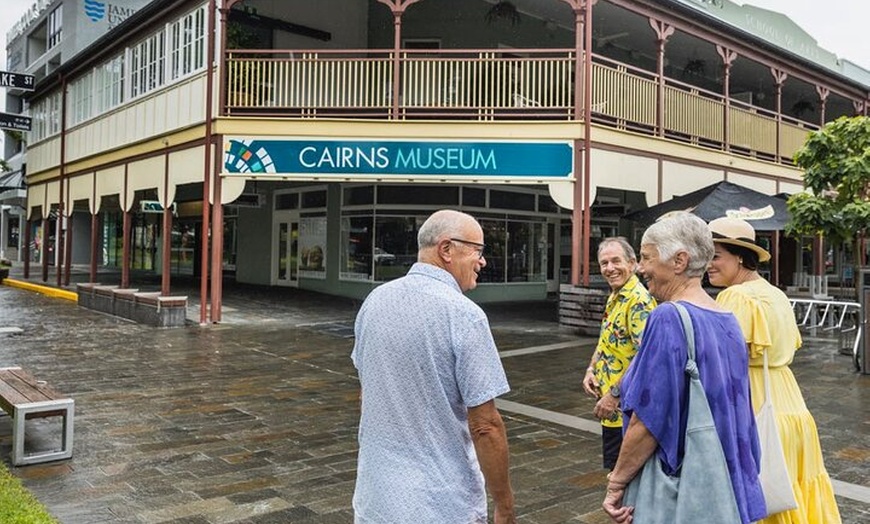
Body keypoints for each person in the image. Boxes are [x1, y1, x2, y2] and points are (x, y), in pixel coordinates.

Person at [351, 209, 516, 524]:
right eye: (478, 251)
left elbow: (367, 392)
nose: (482, 261)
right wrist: (505, 507)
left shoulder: (374, 301)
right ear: (446, 249)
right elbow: (486, 426)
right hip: (439, 503)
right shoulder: (464, 315)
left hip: (376, 497)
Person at [602, 211, 766, 524]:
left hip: (685, 488)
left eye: (647, 257)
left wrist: (617, 481)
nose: (641, 268)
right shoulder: (728, 320)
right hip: (727, 484)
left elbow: (648, 420)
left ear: (679, 261)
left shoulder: (667, 318)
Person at [707, 216, 842, 524]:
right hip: (791, 405)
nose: (707, 265)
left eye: (715, 256)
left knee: (763, 497)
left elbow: (722, 360)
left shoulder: (735, 296)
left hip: (755, 405)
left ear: (740, 256)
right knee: (792, 489)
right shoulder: (775, 293)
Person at [583, 237, 656, 470]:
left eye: (616, 261)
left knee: (624, 480)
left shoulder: (638, 301)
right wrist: (591, 369)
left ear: (633, 263)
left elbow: (646, 357)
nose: (610, 268)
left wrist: (614, 395)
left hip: (626, 410)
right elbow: (607, 340)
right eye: (604, 263)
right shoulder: (616, 295)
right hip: (612, 411)